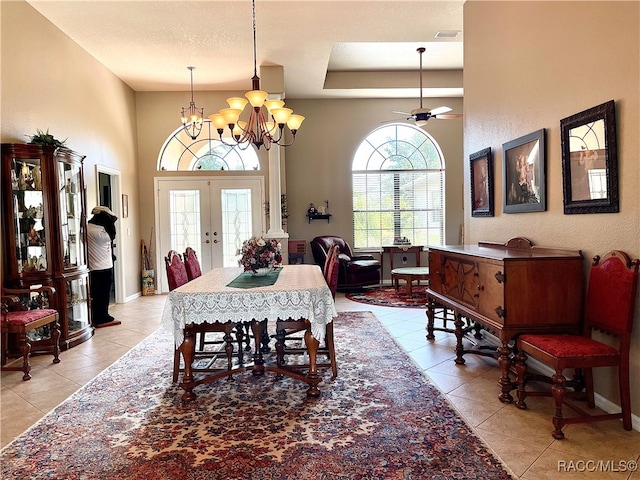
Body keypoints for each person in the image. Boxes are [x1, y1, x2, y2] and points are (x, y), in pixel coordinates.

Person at [87, 206, 120, 328]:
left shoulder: (87, 228)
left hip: (92, 266)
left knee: (96, 293)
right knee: (104, 293)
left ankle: (97, 315)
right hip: (104, 266)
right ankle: (102, 316)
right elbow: (112, 234)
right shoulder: (101, 233)